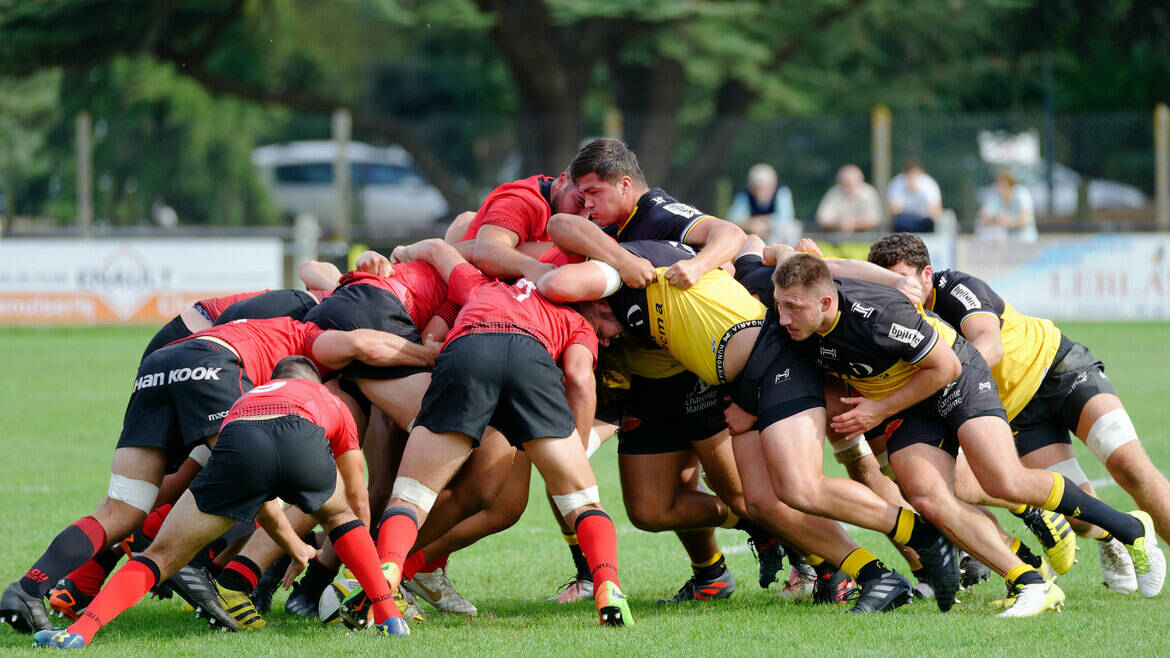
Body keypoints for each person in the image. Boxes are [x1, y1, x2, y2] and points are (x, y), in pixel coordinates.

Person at [538, 239, 942, 613]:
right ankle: (877, 575)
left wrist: (709, 261)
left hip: (774, 368)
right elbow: (755, 248)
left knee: (800, 487)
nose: (605, 342)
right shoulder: (676, 291)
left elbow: (753, 243)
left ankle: (919, 534)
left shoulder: (645, 268)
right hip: (742, 385)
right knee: (761, 503)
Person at [770, 253, 1166, 616]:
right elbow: (781, 254)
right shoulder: (802, 311)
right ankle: (1029, 582)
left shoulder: (879, 315)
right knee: (927, 496)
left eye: (793, 309)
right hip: (911, 402)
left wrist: (878, 409)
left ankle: (1130, 528)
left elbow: (946, 369)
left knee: (1003, 480)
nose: (784, 319)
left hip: (956, 377)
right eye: (780, 306)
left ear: (824, 303)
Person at [0, 317, 435, 635]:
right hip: (250, 397)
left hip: (168, 375)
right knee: (343, 517)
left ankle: (78, 627)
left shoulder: (249, 394)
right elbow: (357, 499)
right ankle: (389, 617)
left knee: (136, 528)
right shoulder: (325, 394)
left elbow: (242, 477)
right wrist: (316, 551)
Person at [865, 232, 1170, 593]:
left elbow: (989, 347)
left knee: (1128, 465)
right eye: (885, 283)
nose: (895, 291)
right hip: (1019, 415)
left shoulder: (957, 289)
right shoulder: (890, 321)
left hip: (1059, 369)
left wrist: (942, 376)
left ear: (927, 275)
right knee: (1079, 520)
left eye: (903, 280)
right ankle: (1114, 534)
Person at [370, 238, 635, 627]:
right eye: (615, 327)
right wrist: (575, 451)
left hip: (468, 352)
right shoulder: (578, 323)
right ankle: (607, 585)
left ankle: (387, 576)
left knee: (411, 496)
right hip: (531, 359)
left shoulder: (486, 286)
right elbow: (579, 377)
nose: (613, 338)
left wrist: (405, 251)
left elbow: (444, 253)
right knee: (582, 501)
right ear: (597, 302)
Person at [725, 163, 798, 245]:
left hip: (775, 233)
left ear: (773, 185)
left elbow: (785, 217)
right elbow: (733, 218)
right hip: (752, 234)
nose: (761, 192)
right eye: (757, 187)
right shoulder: (744, 195)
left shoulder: (782, 191)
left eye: (765, 187)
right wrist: (751, 224)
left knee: (791, 228)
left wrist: (763, 223)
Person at [814, 164, 881, 233]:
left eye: (852, 183)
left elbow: (875, 220)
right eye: (846, 183)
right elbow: (822, 218)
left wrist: (854, 224)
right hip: (837, 236)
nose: (849, 186)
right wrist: (838, 223)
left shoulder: (869, 193)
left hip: (866, 236)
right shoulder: (834, 193)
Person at [977, 171, 1037, 243]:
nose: (1001, 189)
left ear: (1010, 186)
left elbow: (1025, 218)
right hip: (1005, 243)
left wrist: (1010, 221)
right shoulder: (995, 195)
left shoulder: (1021, 193)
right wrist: (997, 219)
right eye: (999, 186)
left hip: (1025, 241)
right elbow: (983, 216)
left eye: (1004, 186)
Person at [887, 160, 942, 233]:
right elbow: (894, 211)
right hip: (904, 221)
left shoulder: (929, 185)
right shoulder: (896, 184)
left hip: (923, 221)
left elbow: (935, 211)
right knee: (900, 221)